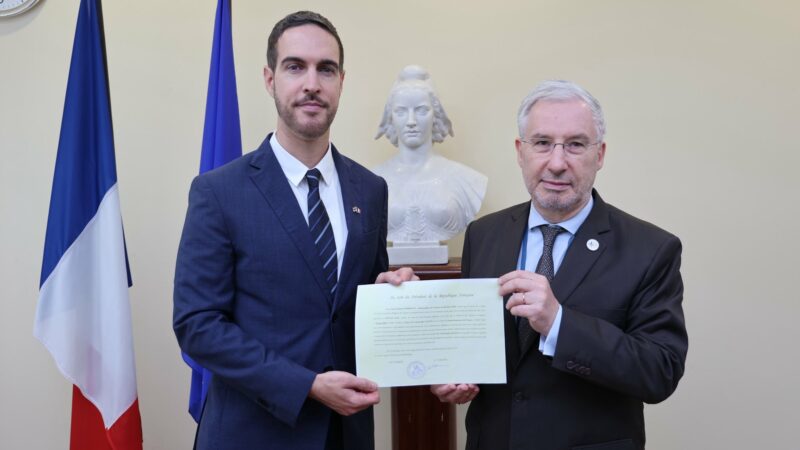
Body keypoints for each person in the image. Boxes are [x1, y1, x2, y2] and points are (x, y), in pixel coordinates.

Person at [173, 11, 414, 450]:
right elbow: (198, 325)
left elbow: (351, 305)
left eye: (326, 69)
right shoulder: (218, 191)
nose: (312, 83)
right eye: (295, 66)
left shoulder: (371, 189)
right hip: (252, 433)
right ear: (270, 79)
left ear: (342, 81)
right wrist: (306, 384)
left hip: (348, 434)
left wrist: (386, 293)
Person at [431, 80, 688, 450]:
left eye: (575, 144)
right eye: (542, 143)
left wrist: (559, 323)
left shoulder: (650, 249)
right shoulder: (483, 235)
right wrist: (455, 376)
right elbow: (475, 345)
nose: (556, 162)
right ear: (521, 152)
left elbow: (659, 372)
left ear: (599, 154)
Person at [373, 65, 487, 243]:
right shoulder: (373, 181)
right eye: (401, 111)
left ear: (436, 115)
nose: (411, 121)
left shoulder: (467, 180)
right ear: (390, 117)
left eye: (421, 110)